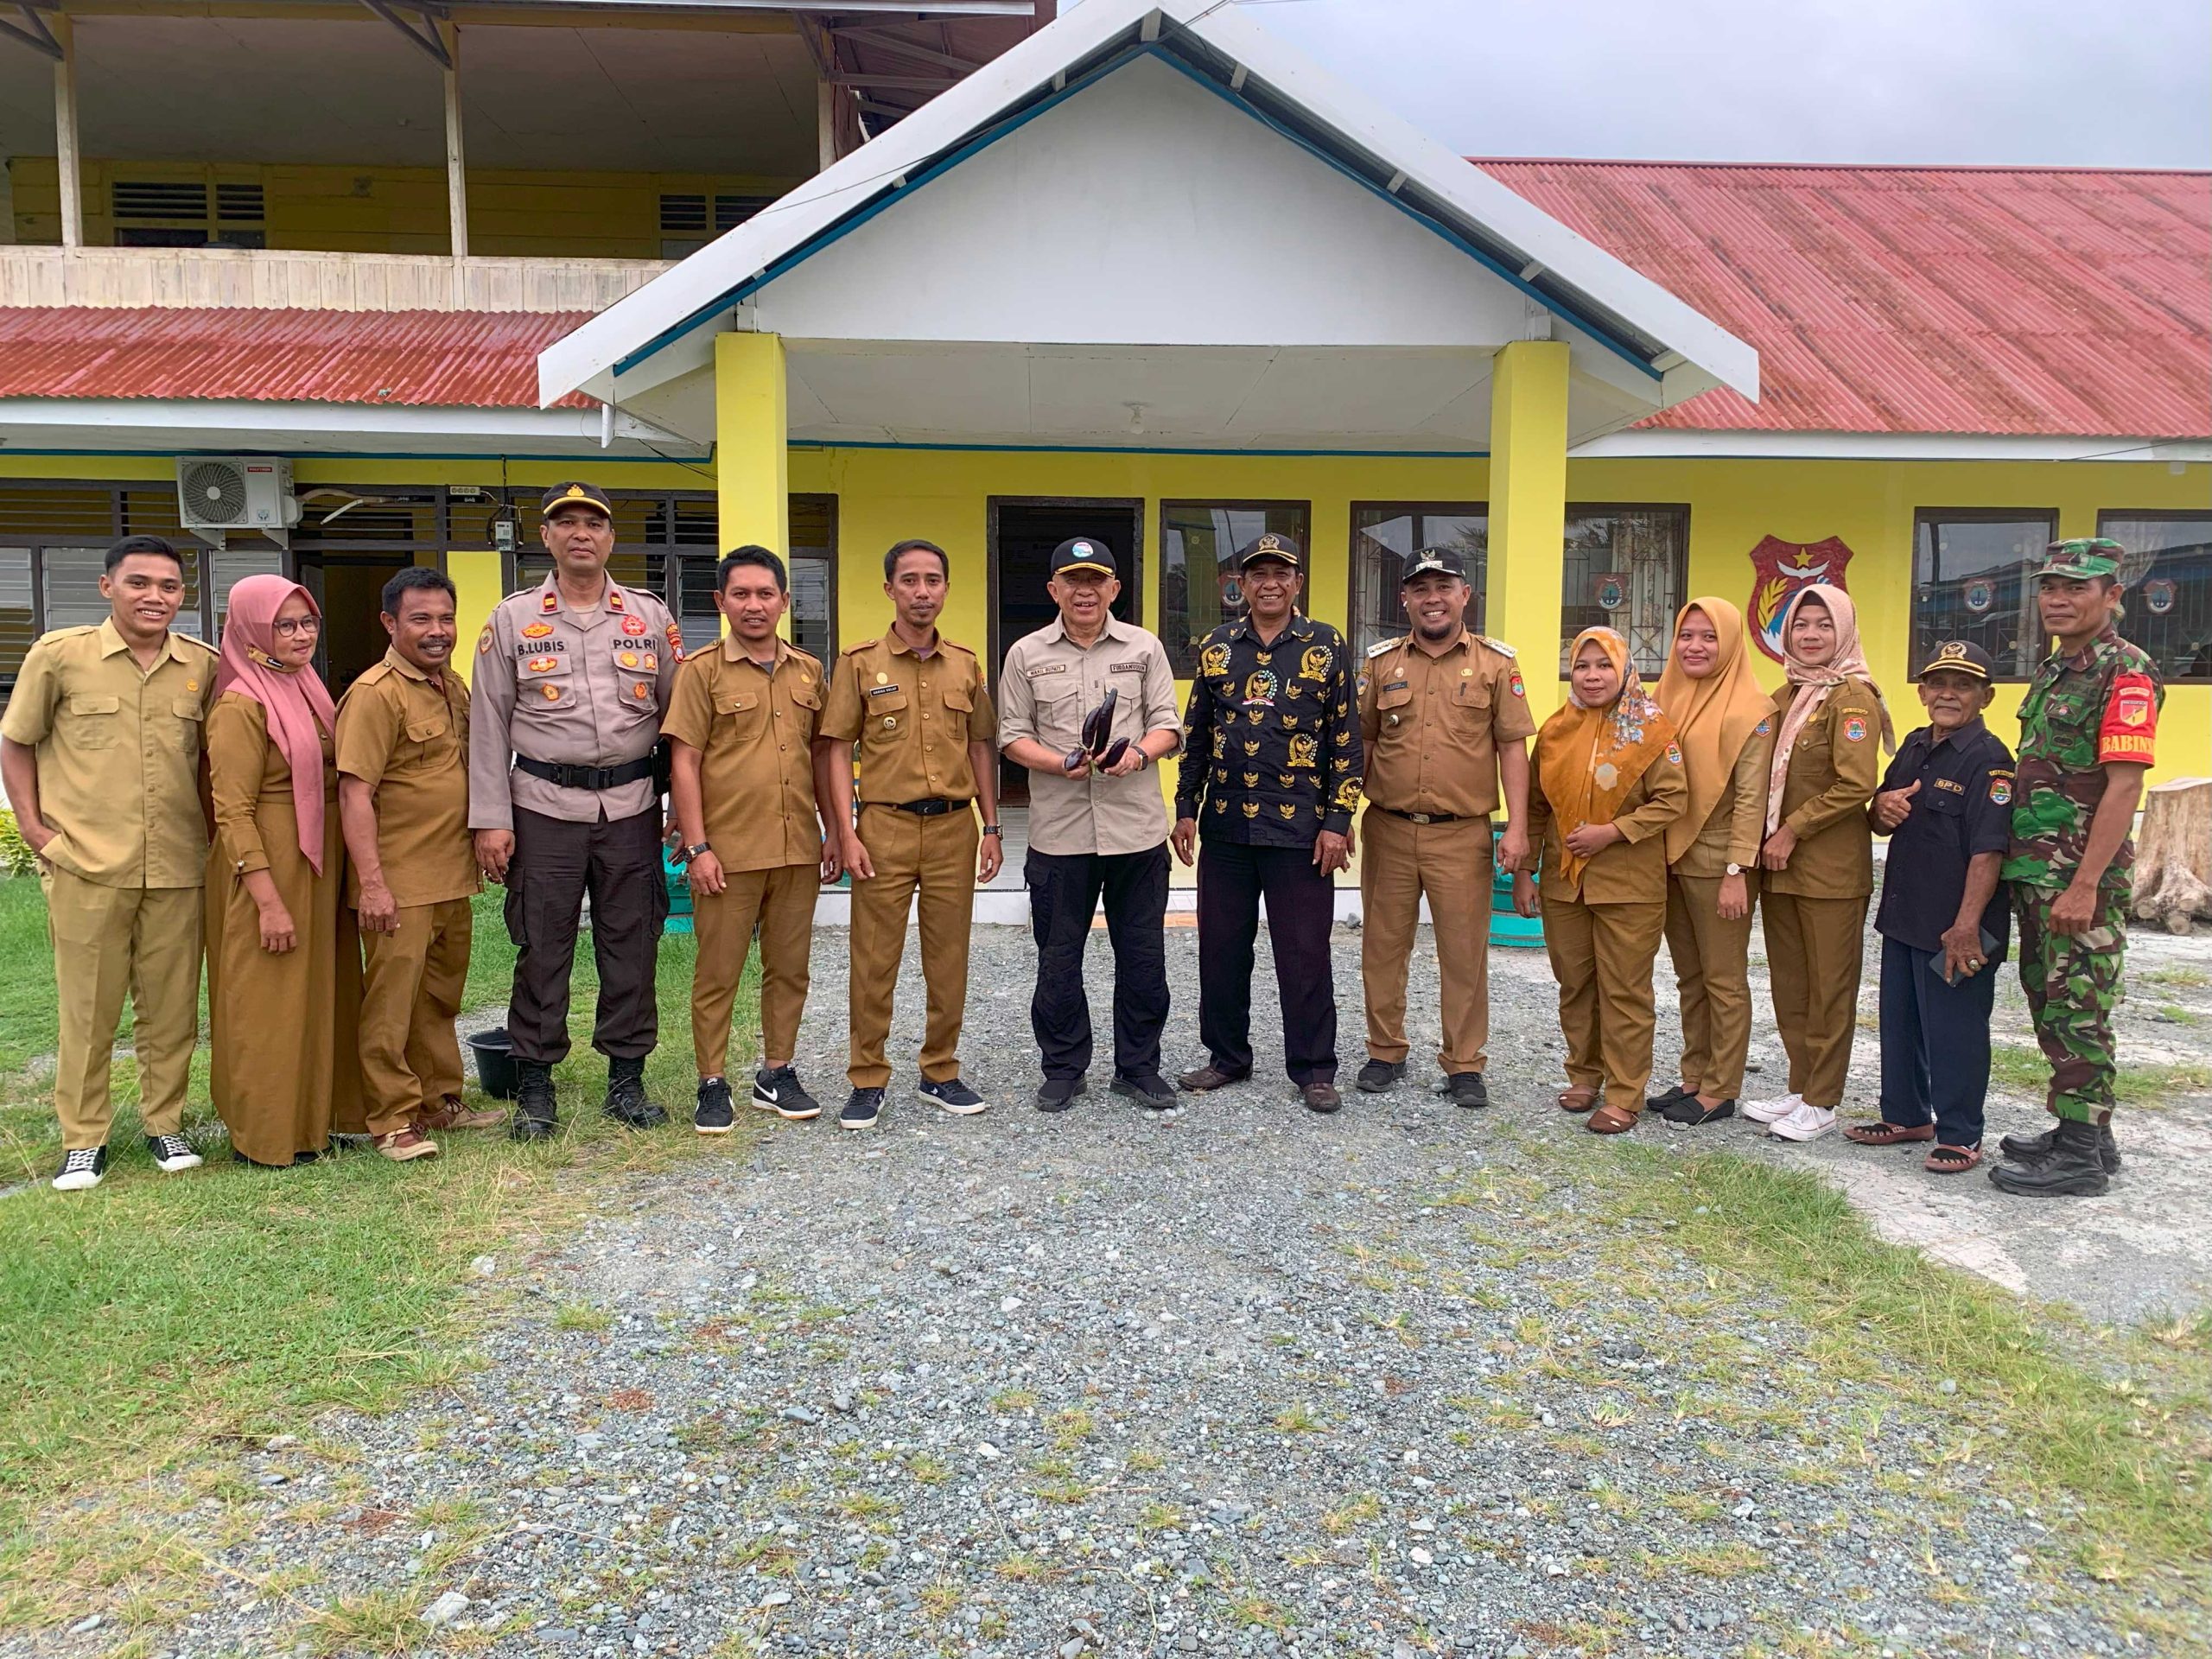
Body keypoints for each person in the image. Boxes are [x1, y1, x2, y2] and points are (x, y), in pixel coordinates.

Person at [1, 535, 219, 1191]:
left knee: (172, 1007)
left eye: (170, 587)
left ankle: (165, 1124)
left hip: (178, 866)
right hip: (87, 865)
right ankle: (83, 1139)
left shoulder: (201, 666)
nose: (156, 597)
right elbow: (16, 743)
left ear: (184, 595)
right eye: (139, 583)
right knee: (88, 1009)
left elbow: (210, 763)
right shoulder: (60, 657)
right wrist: (38, 834)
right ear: (108, 588)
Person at [468, 482, 680, 1140]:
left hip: (633, 806)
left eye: (594, 523)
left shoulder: (648, 617)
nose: (581, 533)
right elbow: (487, 724)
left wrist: (680, 809)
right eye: (567, 523)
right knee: (542, 943)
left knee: (632, 942)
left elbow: (679, 722)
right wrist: (491, 818)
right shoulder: (512, 618)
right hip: (541, 807)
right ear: (549, 536)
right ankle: (535, 1085)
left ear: (611, 538)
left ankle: (627, 1080)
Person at [1989, 539, 2163, 1198]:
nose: (2058, 599)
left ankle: (2082, 1159)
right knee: (2052, 1001)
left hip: (2077, 877)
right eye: (2050, 588)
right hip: (2039, 871)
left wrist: (2086, 882)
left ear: (2112, 596)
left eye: (2077, 589)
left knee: (2080, 1009)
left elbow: (2123, 788)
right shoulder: (2058, 669)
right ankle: (2084, 1131)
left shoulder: (2127, 672)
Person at [1171, 533, 1363, 1113]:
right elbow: (1197, 734)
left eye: (1281, 572)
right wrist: (1185, 807)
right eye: (1258, 574)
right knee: (1222, 949)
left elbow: (1347, 741)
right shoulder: (1217, 646)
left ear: (1297, 582)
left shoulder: (1325, 645)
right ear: (1241, 585)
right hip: (1227, 826)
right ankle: (1227, 1056)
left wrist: (1338, 819)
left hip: (1301, 833)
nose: (1269, 583)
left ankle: (1313, 1069)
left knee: (1304, 951)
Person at [820, 539, 1002, 1129]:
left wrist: (991, 825)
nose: (922, 592)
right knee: (875, 958)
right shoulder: (859, 663)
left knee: (949, 958)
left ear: (946, 588)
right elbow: (836, 747)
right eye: (910, 581)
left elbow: (980, 745)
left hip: (953, 828)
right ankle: (867, 1076)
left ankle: (940, 1071)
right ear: (890, 589)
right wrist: (844, 830)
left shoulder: (966, 664)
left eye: (932, 580)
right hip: (884, 827)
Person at [997, 537, 1183, 1113]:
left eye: (1096, 580)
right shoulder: (1026, 654)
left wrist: (1140, 755)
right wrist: (1058, 763)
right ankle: (1063, 1067)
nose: (1085, 591)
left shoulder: (1144, 648)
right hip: (1060, 833)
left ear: (1114, 589)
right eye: (1072, 581)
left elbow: (1168, 725)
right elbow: (1010, 734)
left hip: (1136, 833)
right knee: (1058, 959)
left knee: (1144, 958)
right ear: (1053, 589)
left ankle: (1138, 1067)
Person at [664, 546, 837, 1135]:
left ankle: (777, 1071)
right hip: (728, 853)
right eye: (741, 594)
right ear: (720, 602)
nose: (754, 605)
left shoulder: (809, 672)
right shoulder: (701, 671)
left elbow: (822, 757)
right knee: (720, 972)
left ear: (785, 601)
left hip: (796, 849)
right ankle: (712, 1082)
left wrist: (836, 830)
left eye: (766, 594)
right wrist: (698, 846)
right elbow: (683, 762)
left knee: (790, 969)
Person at [1354, 546, 1535, 1109]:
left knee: (1463, 952)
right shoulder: (1381, 664)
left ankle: (1464, 1063)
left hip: (1462, 834)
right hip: (1388, 826)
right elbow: (1363, 743)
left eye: (1444, 587)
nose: (1433, 598)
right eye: (1421, 588)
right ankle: (1385, 1051)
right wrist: (1340, 817)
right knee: (1384, 948)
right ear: (1405, 598)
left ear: (1464, 595)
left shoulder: (1495, 665)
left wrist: (1518, 829)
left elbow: (1512, 748)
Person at [334, 565, 498, 1165]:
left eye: (445, 618)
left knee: (438, 998)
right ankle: (390, 1119)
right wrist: (372, 884)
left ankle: (439, 1102)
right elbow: (354, 794)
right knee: (391, 1004)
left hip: (450, 875)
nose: (437, 630)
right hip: (399, 881)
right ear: (390, 622)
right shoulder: (375, 695)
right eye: (420, 619)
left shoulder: (449, 685)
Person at [205, 575, 365, 1166]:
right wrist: (268, 900)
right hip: (269, 865)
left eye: (308, 623)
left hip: (318, 862)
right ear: (250, 631)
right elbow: (232, 810)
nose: (301, 635)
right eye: (285, 625)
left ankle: (319, 1120)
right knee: (269, 1000)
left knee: (323, 990)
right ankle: (266, 1134)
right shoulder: (241, 704)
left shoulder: (305, 686)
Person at [1848, 641, 2014, 1173]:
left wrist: (1966, 927)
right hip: (1905, 913)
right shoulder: (1917, 746)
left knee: (1956, 1030)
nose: (1948, 693)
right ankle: (1906, 1116)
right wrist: (1881, 808)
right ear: (1922, 692)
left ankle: (1962, 1134)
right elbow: (1881, 813)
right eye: (1939, 683)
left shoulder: (1989, 759)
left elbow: (1989, 851)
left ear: (1985, 697)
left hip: (1955, 925)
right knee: (1900, 1023)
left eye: (1963, 685)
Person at [1514, 626, 1688, 1134]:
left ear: (1624, 669)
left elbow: (1673, 800)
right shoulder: (1555, 730)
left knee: (1625, 990)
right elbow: (1537, 807)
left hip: (1628, 885)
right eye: (1583, 666)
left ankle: (1626, 1093)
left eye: (1603, 666)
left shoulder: (1653, 729)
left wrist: (1613, 832)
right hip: (1564, 884)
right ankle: (1584, 1074)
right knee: (1575, 983)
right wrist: (1525, 873)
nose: (1592, 677)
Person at [1745, 585, 1891, 1143]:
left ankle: (1824, 1099)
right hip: (1780, 869)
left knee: (1830, 988)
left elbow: (1856, 784)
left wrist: (1791, 830)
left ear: (1844, 632)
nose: (1810, 635)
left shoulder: (1851, 698)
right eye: (1801, 625)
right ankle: (1799, 1085)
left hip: (1829, 870)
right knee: (1791, 984)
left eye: (1823, 626)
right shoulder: (1785, 697)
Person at [1649, 597, 1776, 1128]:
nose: (1695, 647)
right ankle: (1693, 1076)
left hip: (1717, 862)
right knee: (1688, 976)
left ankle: (1722, 1088)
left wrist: (1737, 872)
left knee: (1723, 979)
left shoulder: (1755, 710)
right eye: (1686, 635)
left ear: (1729, 644)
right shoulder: (1665, 698)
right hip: (1667, 858)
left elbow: (1752, 799)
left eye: (1709, 637)